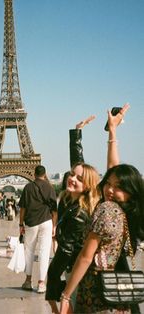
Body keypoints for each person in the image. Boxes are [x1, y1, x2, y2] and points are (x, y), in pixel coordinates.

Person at [59, 104, 144, 314]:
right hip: (120, 295)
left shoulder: (107, 209)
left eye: (119, 187)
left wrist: (66, 295)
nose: (110, 190)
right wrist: (113, 132)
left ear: (131, 192)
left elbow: (86, 257)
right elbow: (114, 169)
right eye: (109, 184)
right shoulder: (129, 212)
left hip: (97, 291)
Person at [46, 116, 101, 313]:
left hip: (79, 271)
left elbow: (66, 252)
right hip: (79, 268)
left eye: (79, 179)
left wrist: (52, 284)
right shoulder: (74, 200)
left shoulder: (79, 213)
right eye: (71, 174)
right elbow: (78, 164)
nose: (72, 178)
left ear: (88, 186)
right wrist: (77, 134)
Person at [19, 165, 57, 293]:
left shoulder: (28, 187)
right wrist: (54, 225)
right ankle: (41, 283)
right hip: (46, 222)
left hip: (31, 222)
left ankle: (28, 281)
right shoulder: (50, 187)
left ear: (34, 174)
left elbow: (23, 208)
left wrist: (20, 225)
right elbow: (54, 210)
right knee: (44, 252)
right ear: (45, 174)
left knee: (29, 251)